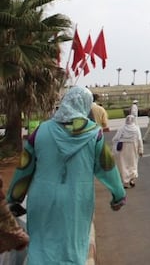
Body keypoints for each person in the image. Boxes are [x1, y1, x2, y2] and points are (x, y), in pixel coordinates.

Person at [5, 86, 126, 264]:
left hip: (42, 198)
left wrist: (13, 198)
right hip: (77, 200)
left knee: (40, 244)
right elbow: (107, 168)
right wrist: (118, 195)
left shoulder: (40, 131)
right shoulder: (94, 134)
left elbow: (24, 169)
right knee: (73, 246)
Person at [112, 114, 145, 188]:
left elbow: (115, 138)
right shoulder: (136, 128)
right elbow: (139, 140)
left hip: (123, 149)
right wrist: (141, 150)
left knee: (124, 165)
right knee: (133, 164)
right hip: (133, 148)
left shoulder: (122, 128)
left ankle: (125, 182)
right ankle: (132, 180)